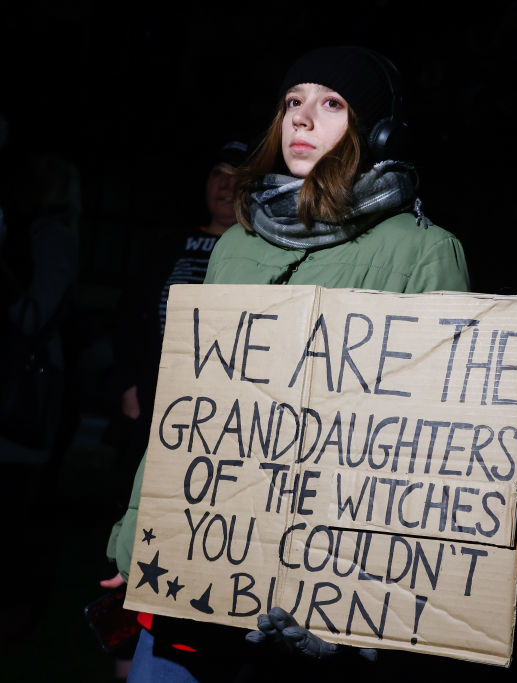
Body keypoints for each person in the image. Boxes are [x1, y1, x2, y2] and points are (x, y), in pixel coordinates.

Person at [102, 45, 470, 681]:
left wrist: (371, 600)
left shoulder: (423, 250)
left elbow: (433, 447)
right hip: (202, 560)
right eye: (291, 102)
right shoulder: (237, 244)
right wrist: (135, 533)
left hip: (323, 586)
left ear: (374, 131)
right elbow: (188, 414)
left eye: (331, 103)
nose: (302, 119)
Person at [110, 139, 249, 494]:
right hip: (157, 391)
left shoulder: (261, 251)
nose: (226, 186)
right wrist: (129, 382)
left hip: (225, 402)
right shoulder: (169, 245)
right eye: (219, 175)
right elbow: (131, 314)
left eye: (238, 177)